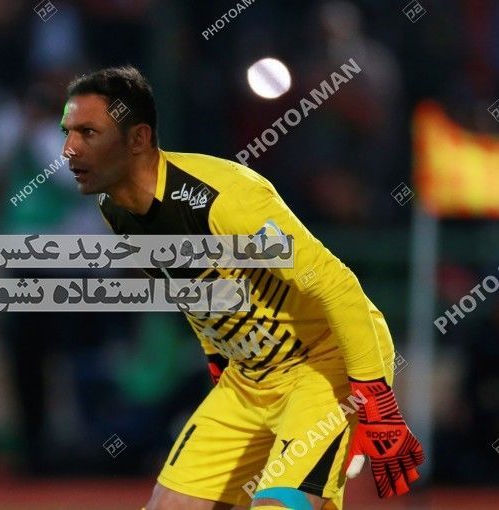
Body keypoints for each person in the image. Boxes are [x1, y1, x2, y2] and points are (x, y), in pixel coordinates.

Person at [58, 66, 424, 510]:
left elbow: (338, 287)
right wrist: (217, 359)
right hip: (248, 377)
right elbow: (191, 286)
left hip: (323, 365)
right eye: (67, 132)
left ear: (138, 139)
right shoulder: (114, 207)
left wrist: (376, 400)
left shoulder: (224, 198)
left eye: (88, 133)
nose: (69, 149)